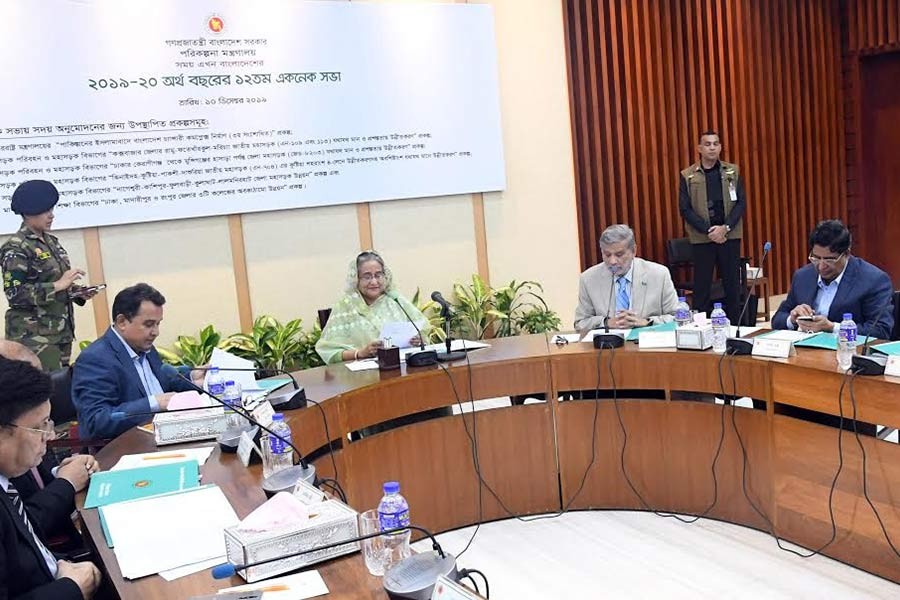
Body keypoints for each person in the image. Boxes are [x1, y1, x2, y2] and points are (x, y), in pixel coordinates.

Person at [0, 357, 101, 599]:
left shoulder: (7, 478)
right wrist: (71, 587)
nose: (50, 435)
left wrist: (64, 567)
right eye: (40, 426)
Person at [71, 283, 204, 440]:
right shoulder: (95, 359)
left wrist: (192, 378)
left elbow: (162, 382)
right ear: (122, 322)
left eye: (158, 323)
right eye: (148, 324)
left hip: (166, 435)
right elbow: (96, 421)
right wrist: (153, 403)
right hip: (129, 447)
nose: (156, 332)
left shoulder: (145, 347)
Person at [0, 341, 92, 554]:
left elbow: (40, 478)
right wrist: (66, 483)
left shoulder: (34, 425)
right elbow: (25, 523)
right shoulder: (13, 443)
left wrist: (64, 471)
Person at [1, 180, 100, 370]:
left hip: (59, 332)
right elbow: (15, 294)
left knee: (61, 389)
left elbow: (56, 283)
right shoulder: (16, 248)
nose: (51, 215)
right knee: (46, 391)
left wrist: (77, 292)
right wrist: (58, 286)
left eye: (52, 209)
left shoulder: (51, 242)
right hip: (34, 338)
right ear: (29, 212)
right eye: (45, 210)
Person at [772, 220, 894, 339]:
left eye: (829, 260)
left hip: (847, 353)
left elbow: (881, 330)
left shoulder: (873, 280)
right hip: (805, 353)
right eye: (816, 258)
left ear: (846, 254)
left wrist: (832, 328)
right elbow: (777, 319)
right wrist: (793, 319)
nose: (821, 266)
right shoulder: (803, 276)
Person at [678, 131, 746, 322]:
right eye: (707, 144)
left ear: (720, 147)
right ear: (699, 148)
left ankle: (735, 327)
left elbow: (741, 203)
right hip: (702, 238)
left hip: (729, 235)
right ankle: (701, 327)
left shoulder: (733, 171)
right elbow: (685, 208)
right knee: (702, 287)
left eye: (716, 144)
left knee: (732, 284)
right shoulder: (688, 175)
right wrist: (710, 230)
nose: (712, 147)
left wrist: (725, 228)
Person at [316, 251, 428, 364]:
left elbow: (424, 332)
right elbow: (328, 351)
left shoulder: (395, 300)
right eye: (367, 277)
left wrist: (419, 340)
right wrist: (360, 353)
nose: (374, 282)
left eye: (378, 275)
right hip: (360, 376)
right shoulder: (345, 305)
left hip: (401, 369)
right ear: (356, 279)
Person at [574, 224, 678, 333]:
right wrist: (606, 323)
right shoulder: (588, 279)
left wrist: (646, 322)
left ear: (634, 251)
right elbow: (580, 323)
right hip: (608, 346)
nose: (612, 261)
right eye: (607, 255)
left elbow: (677, 318)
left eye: (619, 254)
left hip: (647, 344)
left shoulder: (659, 275)